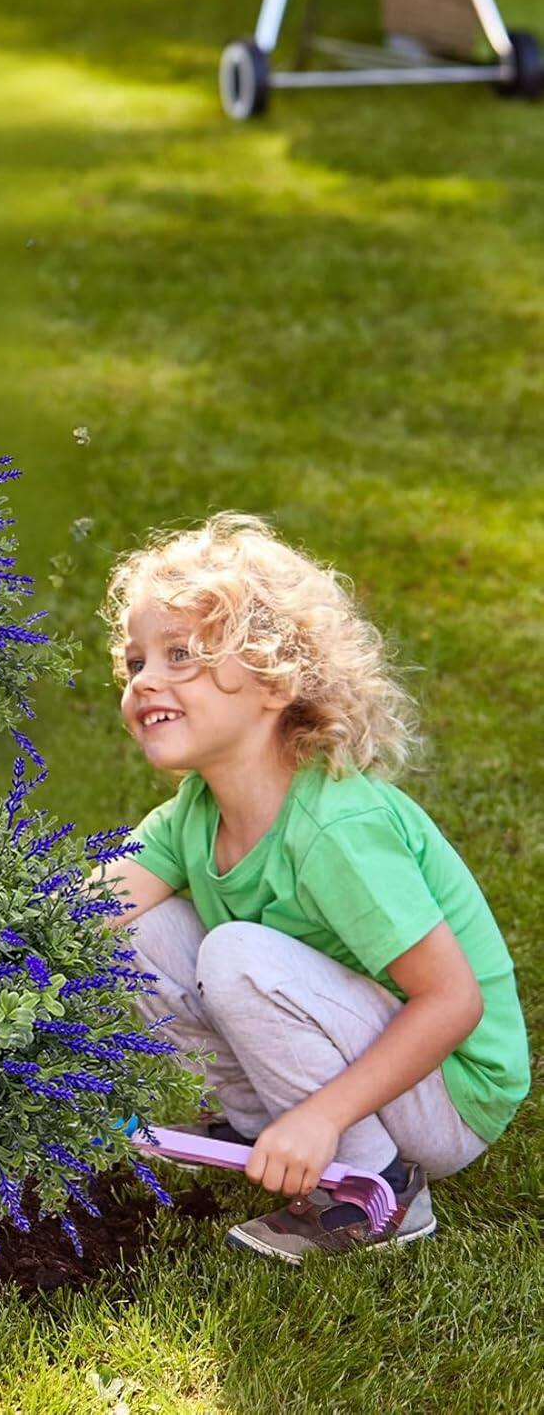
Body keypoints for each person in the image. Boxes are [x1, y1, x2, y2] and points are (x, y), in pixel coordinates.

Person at [100, 512, 528, 1262]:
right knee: (138, 934)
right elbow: (82, 917)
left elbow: (452, 1002)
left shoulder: (335, 827)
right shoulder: (192, 814)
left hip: (450, 1089)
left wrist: (326, 1114)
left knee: (234, 953)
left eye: (180, 656)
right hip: (360, 1042)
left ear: (273, 679)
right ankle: (267, 1123)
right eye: (137, 662)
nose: (147, 682)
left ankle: (377, 1185)